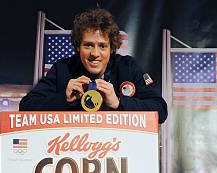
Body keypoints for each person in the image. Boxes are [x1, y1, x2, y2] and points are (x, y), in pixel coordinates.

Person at [19, 8, 168, 124]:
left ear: (112, 48)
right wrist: (63, 98)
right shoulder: (63, 68)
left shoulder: (127, 67)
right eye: (88, 45)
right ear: (78, 46)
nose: (95, 53)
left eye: (102, 46)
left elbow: (160, 110)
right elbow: (26, 106)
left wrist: (118, 102)